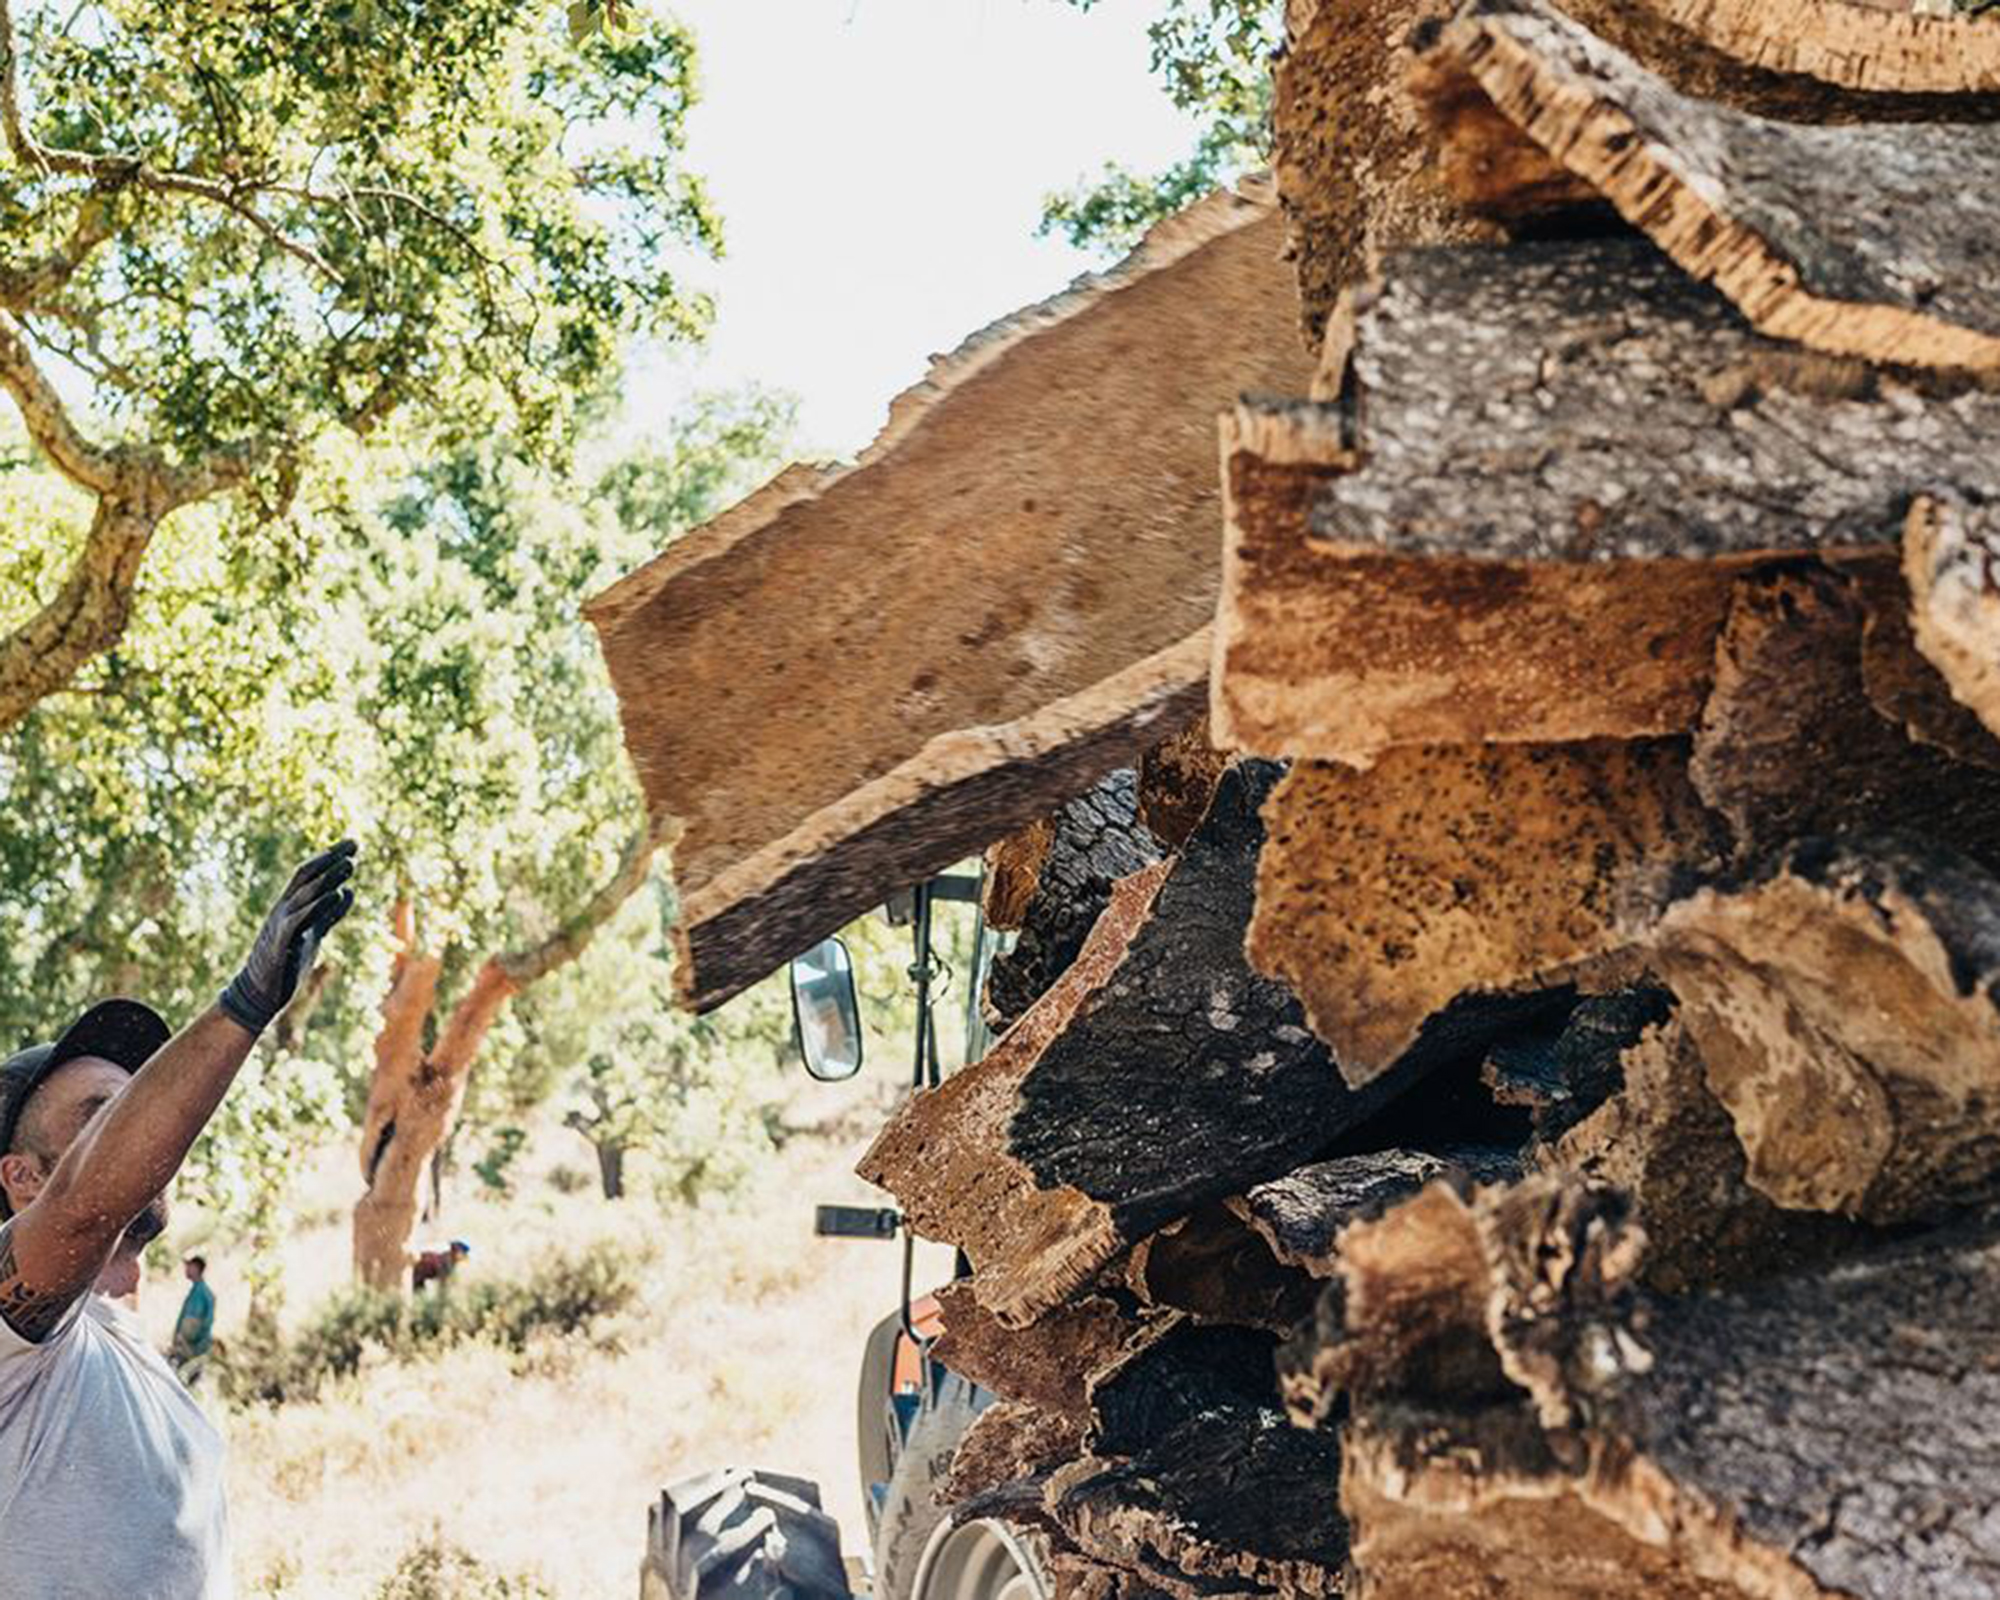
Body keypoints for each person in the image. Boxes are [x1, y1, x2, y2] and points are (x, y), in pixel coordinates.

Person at [0, 841, 358, 1600]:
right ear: (22, 1179)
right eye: (105, 1117)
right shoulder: (14, 1339)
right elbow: (79, 1210)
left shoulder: (117, 1336)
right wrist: (244, 1006)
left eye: (140, 1105)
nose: (142, 1130)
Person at [169, 1254, 217, 1388]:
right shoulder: (197, 1291)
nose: (186, 1270)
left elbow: (195, 1325)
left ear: (196, 1268)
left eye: (189, 1266)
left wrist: (184, 1343)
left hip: (191, 1351)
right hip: (189, 1350)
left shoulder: (202, 1294)